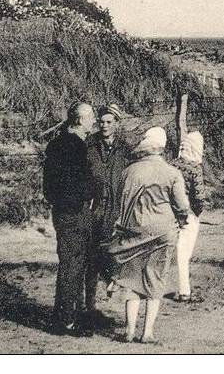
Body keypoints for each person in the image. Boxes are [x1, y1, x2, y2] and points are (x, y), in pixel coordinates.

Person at [106, 127, 190, 344]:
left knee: (132, 280)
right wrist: (181, 220)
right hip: (162, 231)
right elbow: (182, 206)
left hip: (133, 230)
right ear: (161, 149)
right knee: (155, 279)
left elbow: (118, 200)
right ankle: (147, 333)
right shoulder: (172, 173)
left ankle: (129, 330)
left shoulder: (128, 171)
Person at [42, 102, 98, 336]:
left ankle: (62, 316)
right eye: (91, 117)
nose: (94, 121)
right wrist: (87, 195)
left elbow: (49, 185)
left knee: (69, 264)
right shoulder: (75, 147)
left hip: (62, 211)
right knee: (73, 266)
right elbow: (79, 182)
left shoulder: (56, 144)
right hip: (74, 212)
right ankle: (66, 321)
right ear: (81, 120)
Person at [83, 103, 131, 329]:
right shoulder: (89, 145)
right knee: (90, 258)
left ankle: (111, 282)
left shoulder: (125, 149)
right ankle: (89, 306)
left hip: (116, 209)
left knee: (115, 252)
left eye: (109, 122)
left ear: (117, 124)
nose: (104, 125)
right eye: (101, 121)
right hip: (93, 208)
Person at [169, 131, 211, 303]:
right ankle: (184, 290)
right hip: (188, 214)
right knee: (183, 253)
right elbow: (199, 197)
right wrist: (197, 213)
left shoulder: (171, 165)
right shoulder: (195, 168)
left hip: (170, 212)